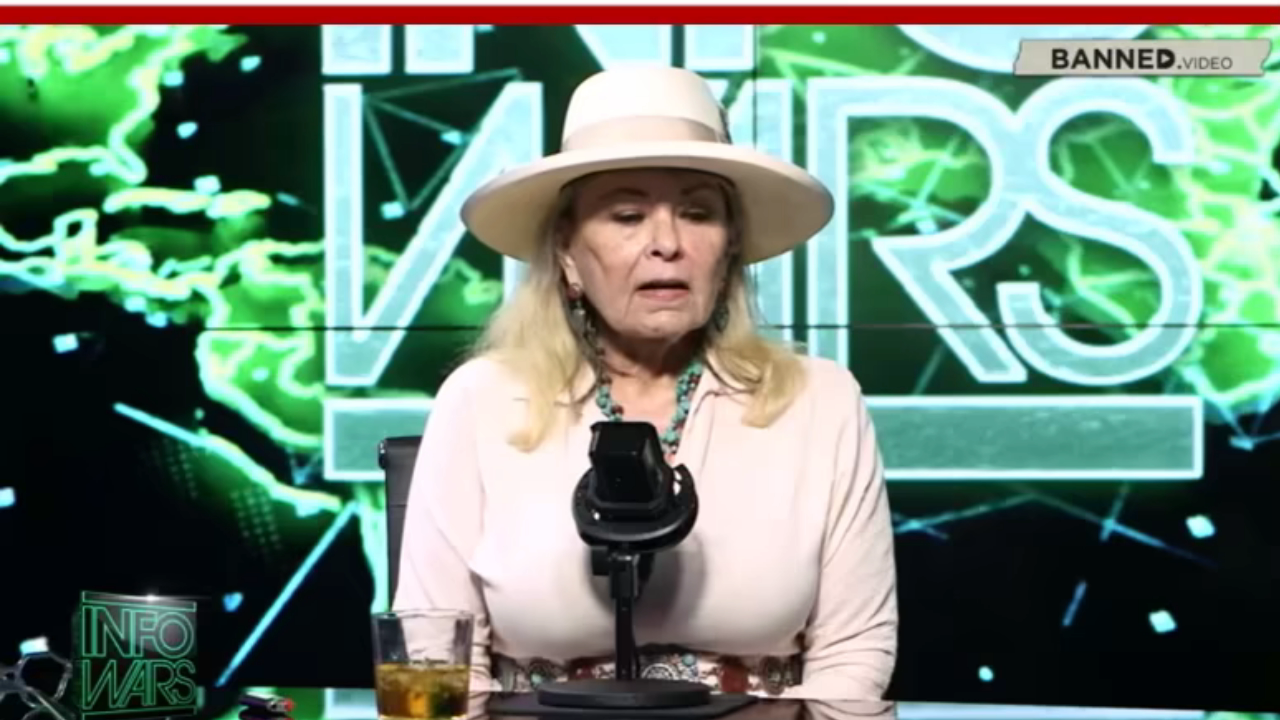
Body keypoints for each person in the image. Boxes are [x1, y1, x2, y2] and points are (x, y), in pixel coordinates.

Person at [392, 65, 898, 699]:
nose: (667, 244)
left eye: (697, 213)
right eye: (628, 215)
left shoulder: (820, 400)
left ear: (730, 249)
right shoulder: (481, 401)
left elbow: (853, 656)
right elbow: (434, 657)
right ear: (568, 254)